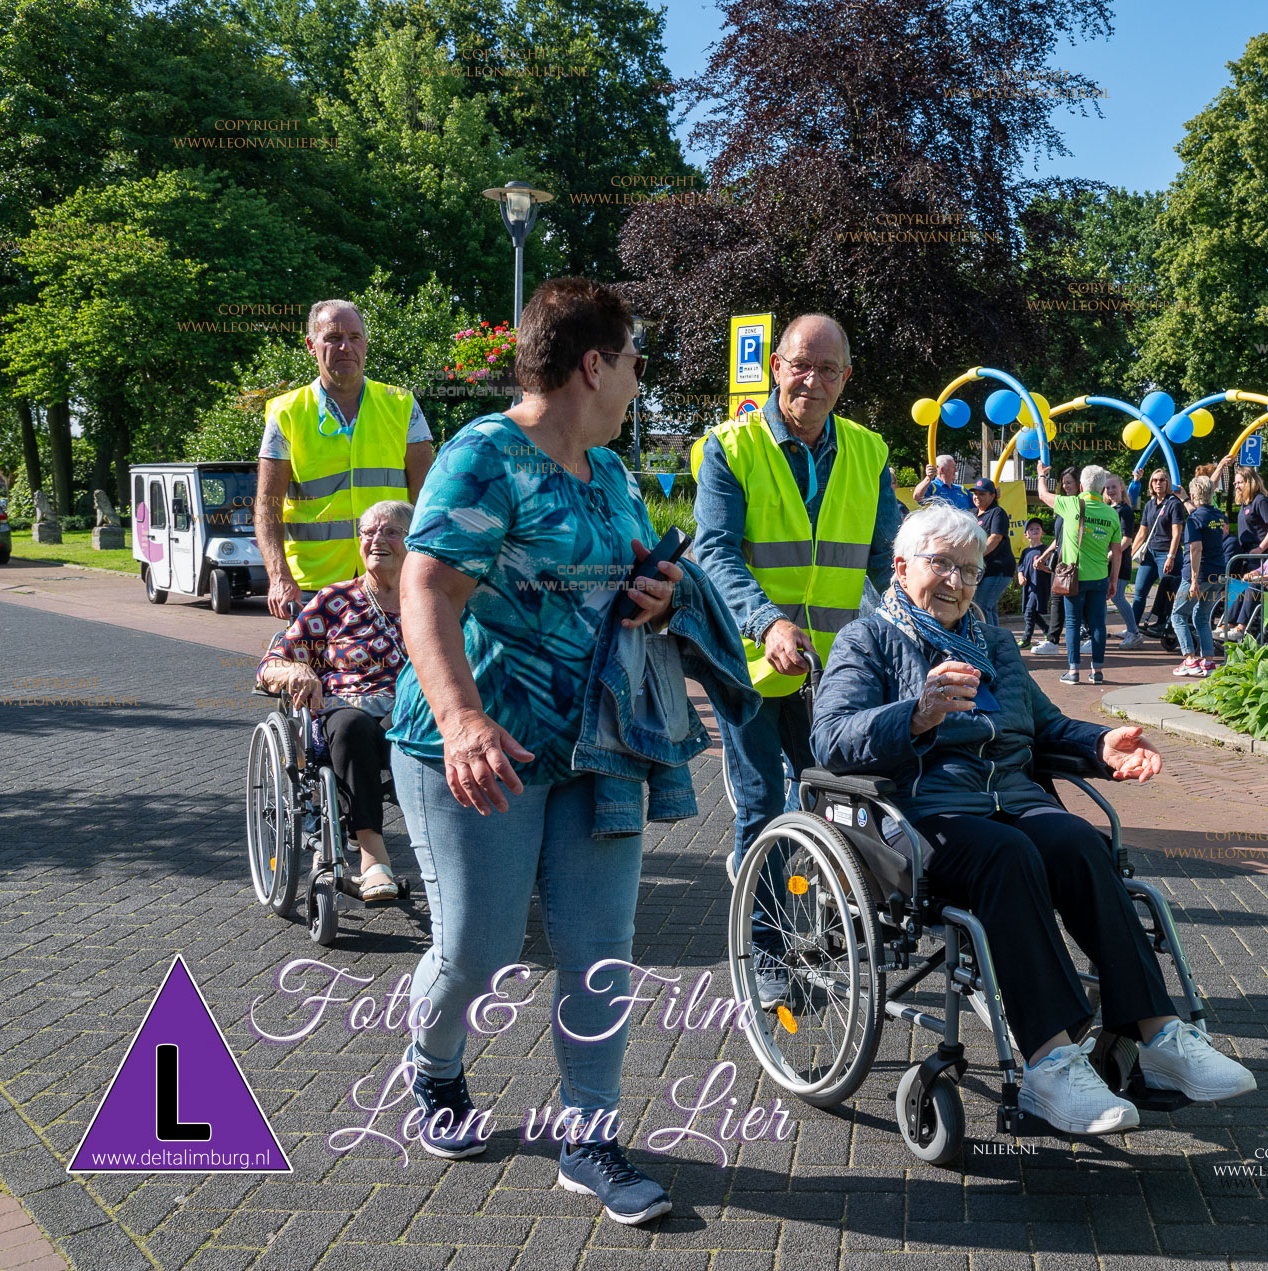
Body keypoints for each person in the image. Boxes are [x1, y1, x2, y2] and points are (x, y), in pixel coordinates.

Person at [386, 277, 701, 1227]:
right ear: (593, 364)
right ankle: (434, 1067)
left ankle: (590, 1137)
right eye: (636, 362)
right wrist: (462, 721)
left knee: (600, 950)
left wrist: (665, 595)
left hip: (596, 747)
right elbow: (427, 590)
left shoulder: (612, 475)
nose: (641, 382)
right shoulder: (488, 455)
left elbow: (643, 577)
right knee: (478, 949)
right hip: (476, 746)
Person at [809, 503, 1257, 1134]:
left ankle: (1159, 1038)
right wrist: (916, 714)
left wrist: (1098, 745)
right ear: (902, 566)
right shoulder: (869, 640)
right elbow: (830, 740)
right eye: (942, 565)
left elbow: (1044, 725)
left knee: (1077, 840)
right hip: (920, 818)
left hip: (1013, 801)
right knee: (1008, 855)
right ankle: (1050, 1064)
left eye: (970, 570)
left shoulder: (992, 643)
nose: (958, 583)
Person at [693, 312, 901, 1003]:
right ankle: (767, 955)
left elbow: (888, 562)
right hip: (753, 663)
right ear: (775, 367)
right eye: (799, 365)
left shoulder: (870, 452)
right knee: (762, 809)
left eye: (827, 368)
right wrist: (768, 621)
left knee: (831, 797)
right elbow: (715, 551)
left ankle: (829, 928)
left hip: (836, 670)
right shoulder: (731, 447)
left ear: (847, 378)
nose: (811, 380)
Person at [255, 499, 414, 900]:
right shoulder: (334, 600)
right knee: (352, 727)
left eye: (391, 531)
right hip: (349, 707)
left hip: (414, 710)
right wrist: (297, 670)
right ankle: (373, 858)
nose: (377, 539)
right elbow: (269, 666)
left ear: (414, 541)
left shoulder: (429, 601)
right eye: (368, 532)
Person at [256, 298, 435, 619]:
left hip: (391, 577)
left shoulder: (402, 404)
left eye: (354, 338)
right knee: (310, 670)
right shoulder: (286, 413)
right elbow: (267, 503)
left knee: (394, 669)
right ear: (312, 345)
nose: (345, 347)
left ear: (365, 343)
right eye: (333, 338)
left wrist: (426, 569)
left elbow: (427, 496)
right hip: (314, 584)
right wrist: (278, 575)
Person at [1037, 462, 1124, 685]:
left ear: (1082, 484)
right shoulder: (1111, 514)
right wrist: (1113, 580)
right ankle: (1097, 671)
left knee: (1074, 623)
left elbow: (1042, 495)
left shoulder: (1071, 504)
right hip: (1099, 577)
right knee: (1097, 624)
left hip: (1073, 577)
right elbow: (1117, 551)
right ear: (1103, 486)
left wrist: (1040, 475)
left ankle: (1073, 671)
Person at [1170, 476, 1228, 677]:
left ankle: (1190, 659)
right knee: (1201, 616)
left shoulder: (1194, 519)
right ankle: (1208, 661)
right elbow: (1200, 516)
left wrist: (1194, 580)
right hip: (1218, 574)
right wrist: (1184, 498)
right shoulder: (1219, 516)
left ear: (1194, 494)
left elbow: (1195, 549)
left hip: (1200, 575)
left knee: (1178, 615)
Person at [1128, 468, 1185, 642]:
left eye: (1162, 480)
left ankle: (1163, 625)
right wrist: (1129, 555)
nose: (1158, 483)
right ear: (1151, 483)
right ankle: (1132, 628)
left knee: (1166, 594)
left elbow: (1177, 534)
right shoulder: (1149, 504)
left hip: (1167, 553)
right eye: (1155, 480)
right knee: (1139, 592)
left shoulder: (1174, 504)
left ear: (1167, 483)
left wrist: (1171, 556)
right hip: (1150, 554)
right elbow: (1142, 533)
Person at [1046, 465, 1082, 649]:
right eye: (1064, 483)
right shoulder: (1062, 506)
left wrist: (1040, 477)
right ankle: (1052, 639)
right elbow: (1058, 537)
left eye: (1070, 482)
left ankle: (1086, 636)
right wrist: (1044, 555)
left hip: (1072, 561)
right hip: (1060, 560)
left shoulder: (1076, 505)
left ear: (1078, 484)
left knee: (1072, 599)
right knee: (1057, 598)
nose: (1066, 486)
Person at [969, 477, 1013, 621]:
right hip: (984, 570)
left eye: (982, 494)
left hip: (998, 568)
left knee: (981, 607)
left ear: (992, 495)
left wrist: (976, 556)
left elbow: (995, 538)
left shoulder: (997, 512)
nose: (977, 497)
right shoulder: (972, 513)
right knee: (989, 608)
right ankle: (996, 642)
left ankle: (988, 642)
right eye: (975, 493)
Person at [1104, 476, 1140, 640]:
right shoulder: (1106, 509)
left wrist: (1110, 556)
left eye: (1113, 487)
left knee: (1117, 597)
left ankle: (1134, 632)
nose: (1110, 491)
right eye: (1107, 488)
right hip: (1106, 562)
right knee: (1102, 597)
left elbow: (1127, 539)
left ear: (1121, 488)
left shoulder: (1125, 510)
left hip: (1119, 561)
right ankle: (1100, 631)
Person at [1016, 517, 1054, 647]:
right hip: (1029, 587)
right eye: (1031, 529)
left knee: (1029, 612)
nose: (1035, 530)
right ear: (1026, 535)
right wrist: (1020, 576)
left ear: (1042, 532)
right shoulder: (1025, 551)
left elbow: (1052, 569)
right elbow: (1020, 568)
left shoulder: (1046, 550)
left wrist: (1042, 567)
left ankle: (1026, 639)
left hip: (1040, 586)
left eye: (1038, 528)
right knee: (1033, 613)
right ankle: (1047, 630)